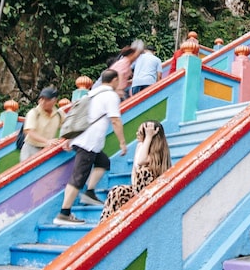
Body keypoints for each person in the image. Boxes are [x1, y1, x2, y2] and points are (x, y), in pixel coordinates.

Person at [54, 69, 128, 225]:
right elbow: (115, 120)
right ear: (114, 80)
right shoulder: (110, 96)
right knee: (78, 177)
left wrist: (70, 137)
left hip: (83, 139)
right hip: (89, 142)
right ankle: (64, 213)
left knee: (103, 162)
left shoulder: (91, 94)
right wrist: (122, 142)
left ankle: (89, 192)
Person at [100, 120, 171, 221]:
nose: (137, 134)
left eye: (141, 132)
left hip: (149, 194)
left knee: (144, 171)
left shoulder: (158, 153)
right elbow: (134, 172)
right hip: (137, 191)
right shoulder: (140, 146)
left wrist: (149, 137)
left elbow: (141, 161)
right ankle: (105, 225)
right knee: (116, 191)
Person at [20, 86, 65, 162]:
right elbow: (29, 131)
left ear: (54, 101)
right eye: (41, 99)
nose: (43, 102)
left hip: (47, 149)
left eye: (47, 100)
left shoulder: (59, 114)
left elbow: (67, 126)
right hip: (31, 147)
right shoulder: (34, 112)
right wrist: (47, 141)